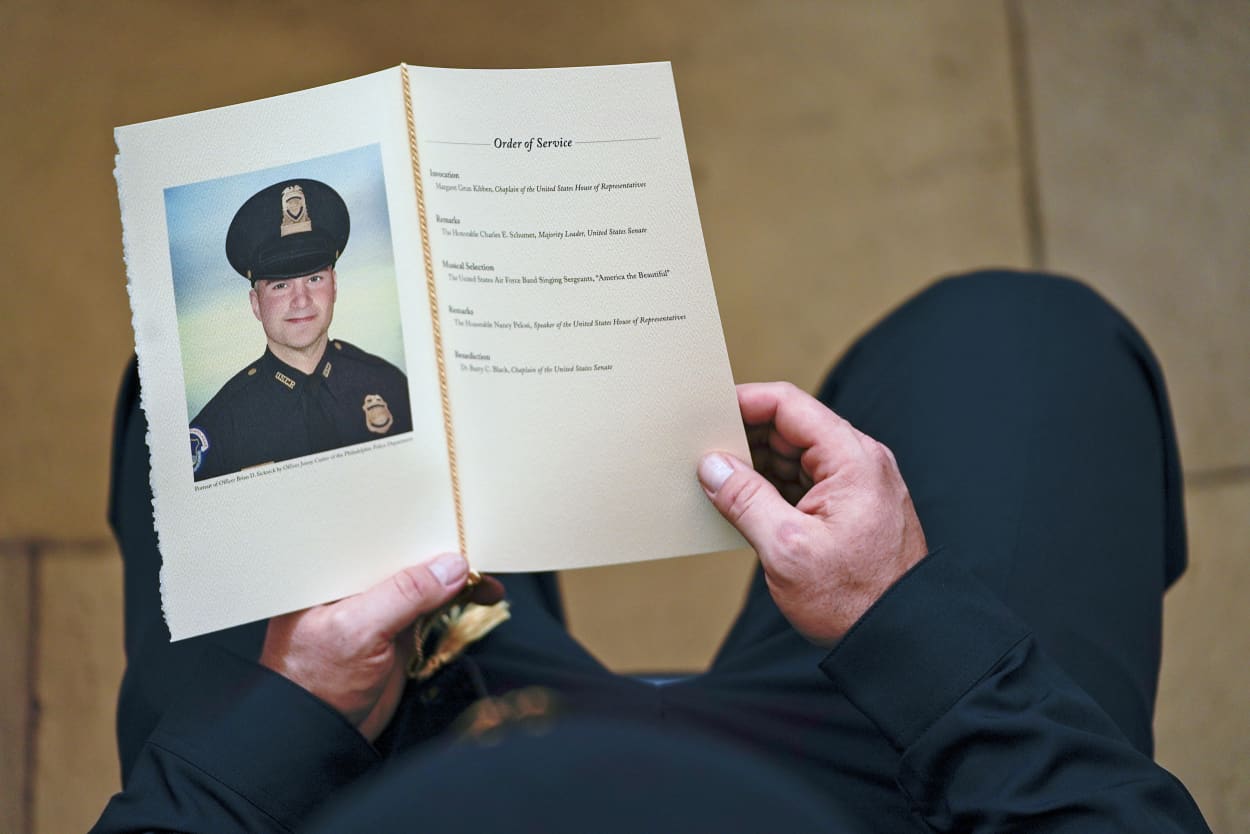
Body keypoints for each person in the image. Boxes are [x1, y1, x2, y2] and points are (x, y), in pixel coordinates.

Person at [94, 270, 1211, 831]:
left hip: (379, 777)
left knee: (187, 414)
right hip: (886, 803)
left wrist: (293, 713)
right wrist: (913, 632)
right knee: (1018, 341)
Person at [189, 179, 412, 481]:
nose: (301, 300)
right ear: (256, 303)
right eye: (281, 285)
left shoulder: (391, 387)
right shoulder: (222, 427)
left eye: (314, 279)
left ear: (334, 286)